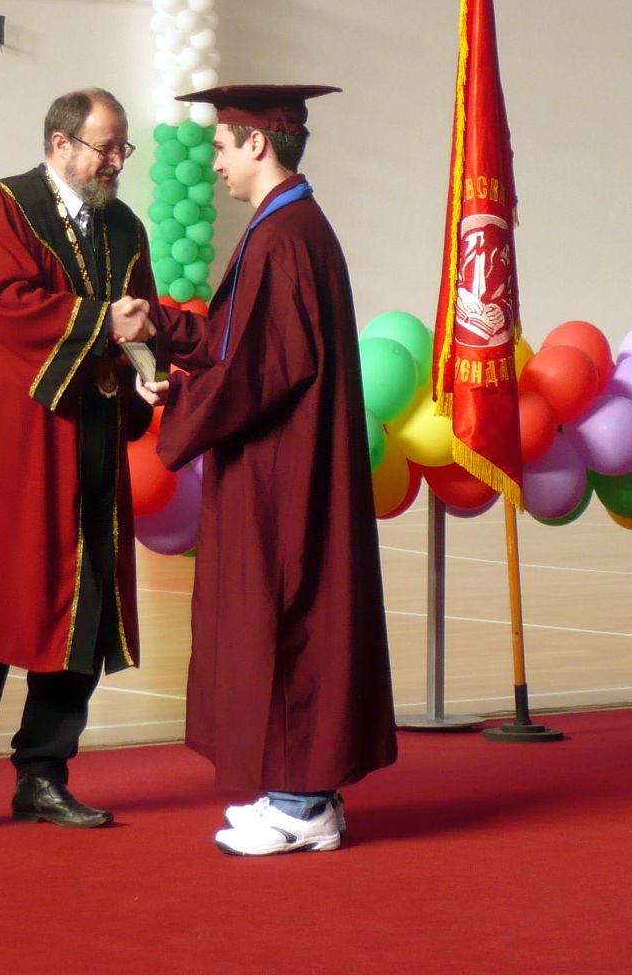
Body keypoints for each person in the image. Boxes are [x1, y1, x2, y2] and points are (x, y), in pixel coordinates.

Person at [132, 84, 397, 856]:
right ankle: (298, 791)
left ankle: (301, 803)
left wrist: (180, 399)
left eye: (221, 146)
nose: (214, 162)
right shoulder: (286, 227)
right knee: (285, 617)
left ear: (256, 143)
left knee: (289, 616)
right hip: (285, 462)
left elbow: (263, 368)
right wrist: (164, 330)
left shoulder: (285, 236)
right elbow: (233, 339)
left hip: (286, 475)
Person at [0, 88, 158, 837]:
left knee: (84, 609)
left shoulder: (126, 226)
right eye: (105, 147)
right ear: (60, 143)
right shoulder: (3, 208)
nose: (116, 162)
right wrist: (102, 321)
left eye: (122, 148)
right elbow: (7, 304)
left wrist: (149, 368)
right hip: (17, 444)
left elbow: (141, 315)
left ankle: (43, 776)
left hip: (93, 439)